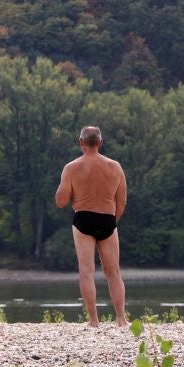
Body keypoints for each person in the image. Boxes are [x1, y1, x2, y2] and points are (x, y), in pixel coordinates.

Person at [55, 125, 127, 327]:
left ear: (81, 142)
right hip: (108, 218)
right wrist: (112, 222)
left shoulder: (71, 168)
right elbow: (122, 202)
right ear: (101, 142)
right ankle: (121, 319)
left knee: (86, 271)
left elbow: (61, 202)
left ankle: (94, 320)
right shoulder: (115, 167)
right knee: (113, 272)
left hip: (83, 219)